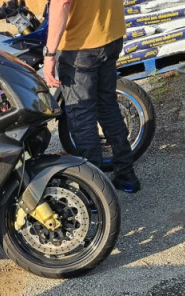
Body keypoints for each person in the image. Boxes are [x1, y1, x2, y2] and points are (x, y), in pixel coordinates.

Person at [42, 0, 142, 193]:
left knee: (82, 117)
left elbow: (62, 3)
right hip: (110, 34)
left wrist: (50, 53)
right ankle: (126, 175)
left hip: (80, 45)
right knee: (108, 106)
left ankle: (95, 190)